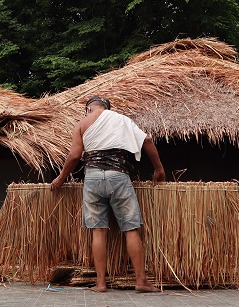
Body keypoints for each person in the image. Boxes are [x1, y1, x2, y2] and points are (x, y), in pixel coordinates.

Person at [51, 95, 165, 293]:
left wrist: (60, 178)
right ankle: (141, 281)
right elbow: (146, 140)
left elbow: (75, 155)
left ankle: (101, 283)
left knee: (98, 231)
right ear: (107, 108)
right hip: (118, 177)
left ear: (88, 109)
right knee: (130, 229)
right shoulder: (121, 120)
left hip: (93, 179)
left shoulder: (82, 124)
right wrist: (159, 169)